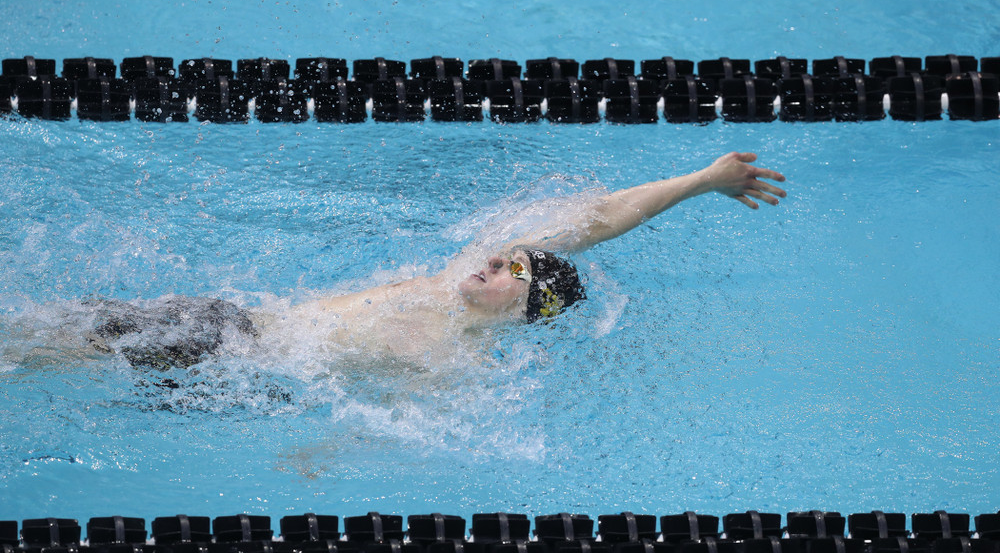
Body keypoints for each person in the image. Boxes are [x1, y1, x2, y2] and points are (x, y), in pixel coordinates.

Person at [87, 152, 786, 368]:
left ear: (521, 312)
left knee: (46, 349)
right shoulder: (453, 277)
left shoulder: (452, 359)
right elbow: (599, 218)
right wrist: (700, 181)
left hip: (224, 360)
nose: (499, 262)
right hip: (227, 322)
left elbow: (403, 430)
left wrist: (323, 460)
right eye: (508, 256)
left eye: (514, 274)